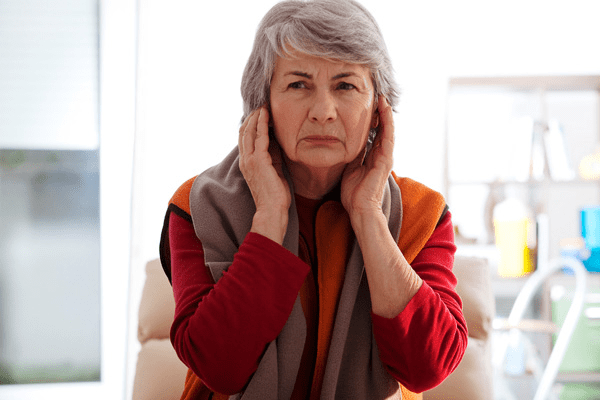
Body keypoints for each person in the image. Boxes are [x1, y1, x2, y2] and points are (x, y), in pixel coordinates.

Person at [159, 0, 467, 399]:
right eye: (298, 84)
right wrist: (270, 217)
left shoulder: (423, 212)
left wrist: (369, 215)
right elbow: (220, 366)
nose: (323, 111)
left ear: (378, 110)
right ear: (262, 104)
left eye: (345, 85)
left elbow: (428, 366)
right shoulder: (198, 206)